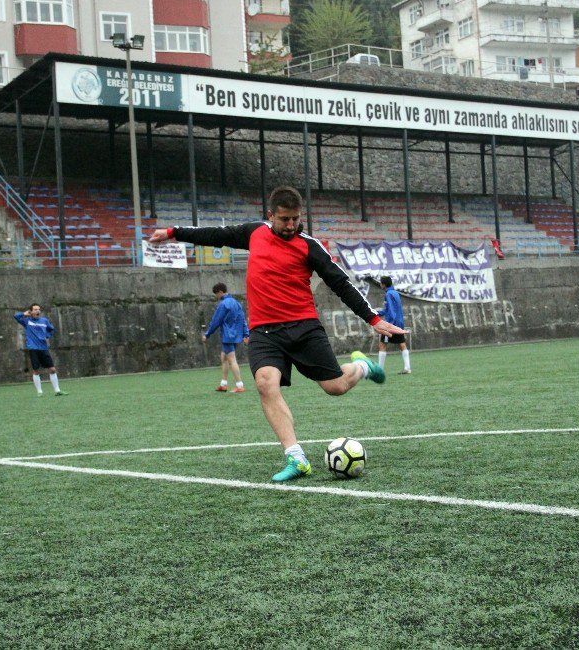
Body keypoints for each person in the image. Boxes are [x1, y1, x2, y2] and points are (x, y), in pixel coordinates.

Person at [149, 185, 405, 482]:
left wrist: (372, 319)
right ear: (270, 215)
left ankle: (362, 366)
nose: (291, 225)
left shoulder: (309, 246)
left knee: (335, 387)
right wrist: (173, 232)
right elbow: (215, 234)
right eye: (285, 219)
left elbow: (340, 283)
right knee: (265, 383)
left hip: (304, 327)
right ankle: (296, 458)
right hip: (264, 331)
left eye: (296, 219)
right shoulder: (254, 233)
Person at [203, 282, 250, 393]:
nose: (216, 297)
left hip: (227, 336)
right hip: (235, 335)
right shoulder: (237, 303)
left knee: (231, 360)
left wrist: (207, 334)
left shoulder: (223, 304)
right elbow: (242, 320)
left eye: (216, 294)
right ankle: (223, 384)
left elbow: (216, 321)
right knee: (224, 358)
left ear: (220, 292)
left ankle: (240, 385)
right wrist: (246, 334)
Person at [14, 304, 68, 396]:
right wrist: (24, 313)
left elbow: (51, 329)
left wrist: (47, 335)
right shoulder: (27, 321)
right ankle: (39, 392)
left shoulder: (44, 321)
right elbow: (16, 316)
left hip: (43, 348)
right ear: (31, 311)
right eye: (35, 309)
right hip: (33, 348)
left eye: (39, 309)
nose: (38, 311)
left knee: (52, 369)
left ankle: (57, 391)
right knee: (36, 370)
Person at [377, 276, 411, 374]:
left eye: (381, 283)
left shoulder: (388, 294)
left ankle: (380, 370)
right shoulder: (395, 293)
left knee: (382, 345)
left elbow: (391, 311)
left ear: (383, 284)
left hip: (391, 324)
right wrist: (377, 313)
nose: (380, 284)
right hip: (399, 323)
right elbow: (388, 309)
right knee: (402, 344)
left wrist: (389, 324)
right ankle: (407, 368)